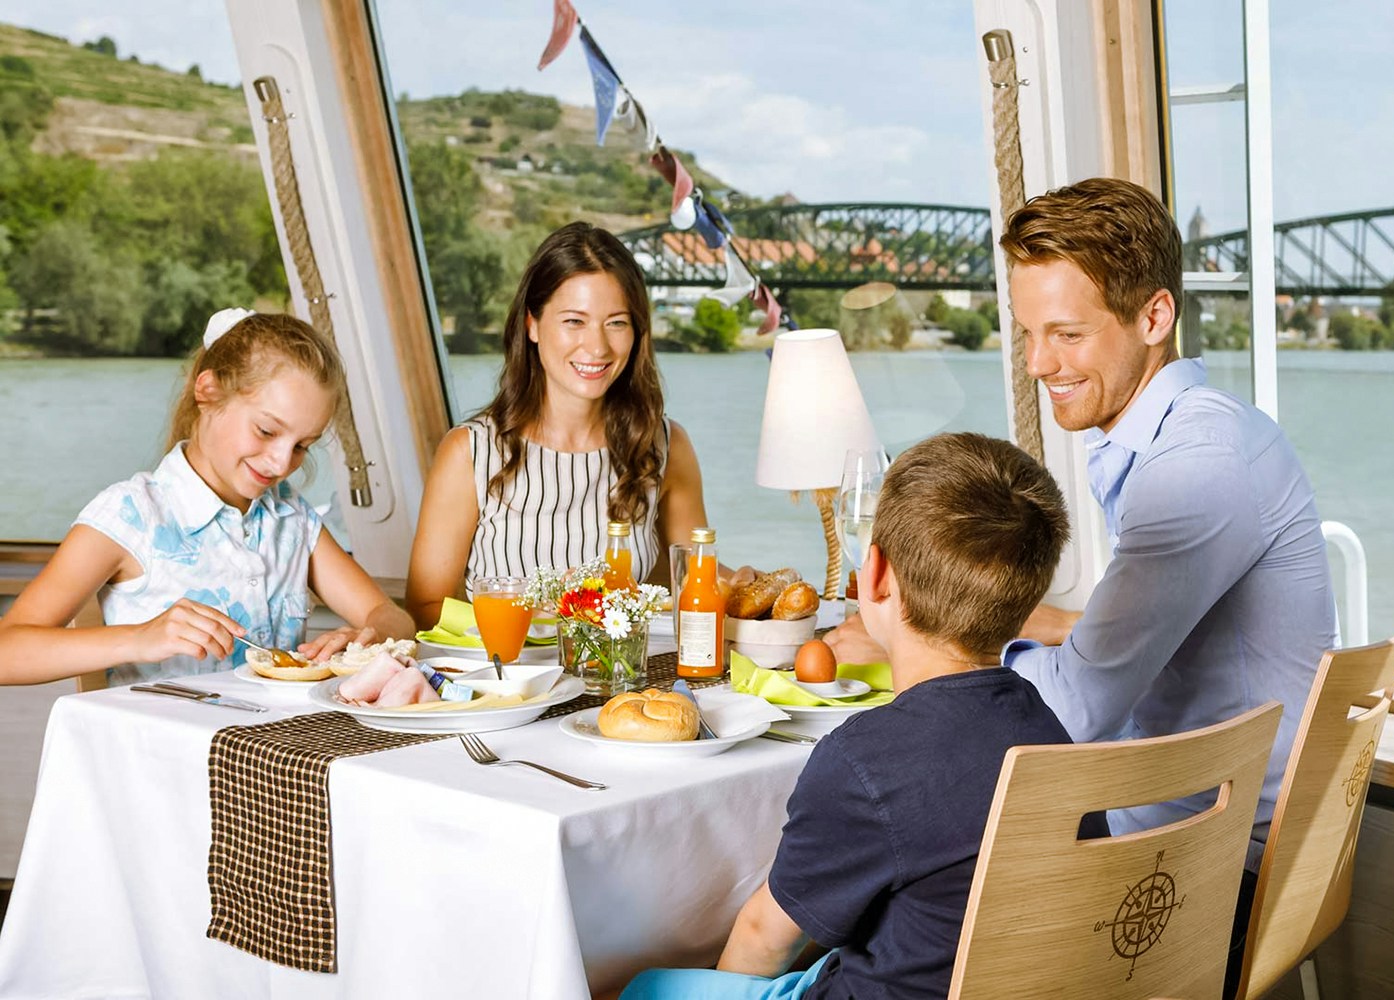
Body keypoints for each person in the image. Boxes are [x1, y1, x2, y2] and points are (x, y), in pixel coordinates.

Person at [827, 178, 1337, 991]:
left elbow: (1073, 710)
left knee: (875, 907)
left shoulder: (1193, 469)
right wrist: (1022, 626)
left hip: (1211, 863)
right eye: (1029, 334)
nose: (1038, 364)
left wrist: (925, 649)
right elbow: (1137, 628)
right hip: (1221, 823)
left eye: (1066, 334)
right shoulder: (1201, 431)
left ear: (1154, 317)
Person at [621, 432, 1107, 1000]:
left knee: (643, 986)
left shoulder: (863, 759)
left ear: (873, 576)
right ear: (1026, 596)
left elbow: (763, 937)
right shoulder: (1048, 728)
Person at [0, 310, 415, 687]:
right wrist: (138, 639)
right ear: (208, 391)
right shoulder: (131, 516)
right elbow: (7, 653)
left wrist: (371, 636)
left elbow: (392, 616)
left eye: (303, 445)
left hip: (267, 758)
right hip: (161, 761)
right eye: (267, 431)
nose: (280, 462)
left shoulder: (290, 517)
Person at [406, 222, 710, 629]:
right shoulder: (470, 453)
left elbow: (691, 579)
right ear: (532, 324)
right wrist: (535, 614)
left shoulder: (665, 446)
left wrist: (738, 582)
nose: (598, 347)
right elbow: (426, 608)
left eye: (617, 322)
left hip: (623, 686)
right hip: (513, 688)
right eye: (574, 321)